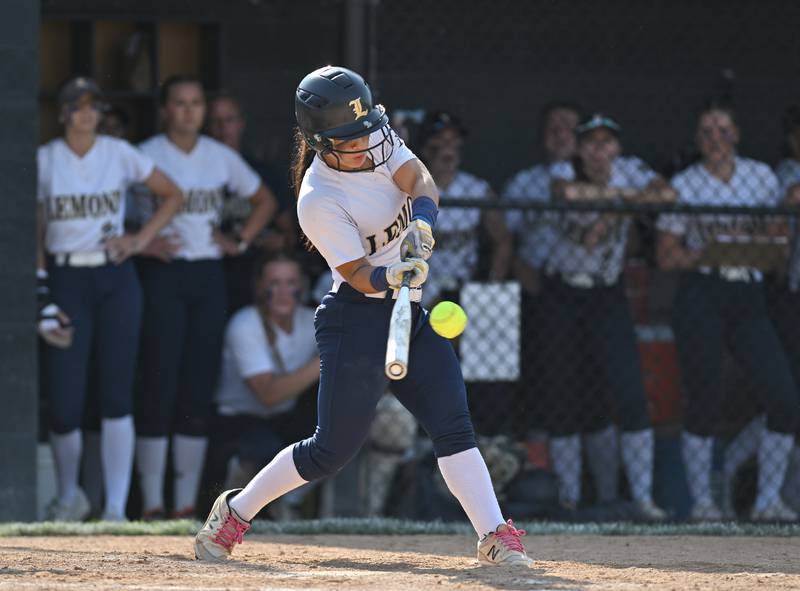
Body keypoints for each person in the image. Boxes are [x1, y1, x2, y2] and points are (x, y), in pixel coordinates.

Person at [195, 65, 534, 567]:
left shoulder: (377, 138)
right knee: (329, 452)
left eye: (367, 131)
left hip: (409, 312)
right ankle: (235, 511)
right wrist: (392, 276)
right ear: (322, 143)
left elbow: (420, 179)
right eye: (350, 140)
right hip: (354, 319)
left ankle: (494, 534)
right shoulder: (319, 198)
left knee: (453, 427)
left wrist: (422, 225)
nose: (367, 144)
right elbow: (356, 273)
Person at [36, 76, 183, 521]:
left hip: (115, 275)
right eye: (77, 106)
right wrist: (42, 290)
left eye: (93, 106)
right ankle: (69, 497)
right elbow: (35, 228)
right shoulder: (45, 159)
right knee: (64, 398)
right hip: (65, 276)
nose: (86, 114)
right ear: (63, 113)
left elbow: (172, 194)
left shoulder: (117, 153)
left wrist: (139, 240)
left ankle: (117, 509)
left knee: (117, 392)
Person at [133, 75, 277, 520]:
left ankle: (184, 504)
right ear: (165, 110)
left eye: (196, 102)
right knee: (160, 383)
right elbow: (110, 205)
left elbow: (265, 202)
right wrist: (141, 241)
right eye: (180, 103)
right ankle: (153, 503)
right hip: (162, 273)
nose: (189, 111)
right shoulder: (145, 154)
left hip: (207, 275)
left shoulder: (219, 157)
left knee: (197, 386)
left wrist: (238, 240)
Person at [656, 101, 799, 522]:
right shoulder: (686, 183)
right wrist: (713, 249)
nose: (715, 140)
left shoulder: (761, 177)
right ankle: (703, 503)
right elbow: (666, 255)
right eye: (706, 133)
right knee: (703, 397)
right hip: (703, 291)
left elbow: (778, 243)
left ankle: (768, 502)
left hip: (749, 293)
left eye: (722, 131)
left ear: (736, 134)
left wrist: (749, 244)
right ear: (697, 141)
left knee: (784, 397)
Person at [544, 113, 674, 520]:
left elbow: (667, 196)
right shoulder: (563, 167)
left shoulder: (629, 169)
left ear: (616, 147)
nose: (600, 151)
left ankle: (641, 498)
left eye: (607, 143)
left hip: (607, 293)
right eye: (592, 143)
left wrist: (615, 200)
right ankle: (566, 499)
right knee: (563, 393)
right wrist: (621, 202)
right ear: (580, 147)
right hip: (562, 292)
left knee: (630, 390)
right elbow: (567, 195)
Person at [211, 252, 319, 513]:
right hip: (239, 421)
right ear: (260, 287)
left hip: (284, 419)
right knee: (264, 450)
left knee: (339, 434)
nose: (283, 292)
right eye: (274, 283)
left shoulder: (313, 319)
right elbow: (268, 395)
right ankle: (230, 505)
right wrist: (325, 360)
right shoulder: (245, 323)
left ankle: (289, 506)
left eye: (291, 283)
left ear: (302, 287)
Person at [208, 93, 297, 313]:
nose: (223, 128)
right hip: (214, 271)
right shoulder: (197, 175)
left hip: (258, 275)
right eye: (215, 121)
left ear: (241, 123)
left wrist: (278, 241)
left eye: (229, 120)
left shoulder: (263, 174)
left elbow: (290, 235)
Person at [415, 110, 510, 305]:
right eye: (441, 140)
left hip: (464, 285)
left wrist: (490, 289)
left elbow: (503, 240)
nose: (448, 147)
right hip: (421, 286)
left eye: (453, 140)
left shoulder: (477, 189)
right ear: (426, 147)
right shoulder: (408, 189)